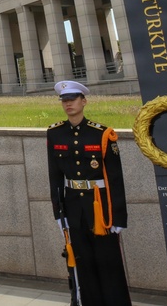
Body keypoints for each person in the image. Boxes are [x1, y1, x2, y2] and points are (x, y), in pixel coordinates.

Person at [47, 81, 131, 306]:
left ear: (83, 101)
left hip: (100, 209)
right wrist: (59, 212)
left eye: (72, 100)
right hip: (73, 207)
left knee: (108, 262)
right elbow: (55, 176)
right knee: (83, 262)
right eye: (64, 101)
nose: (68, 104)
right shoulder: (55, 133)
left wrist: (119, 216)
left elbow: (115, 178)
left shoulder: (102, 134)